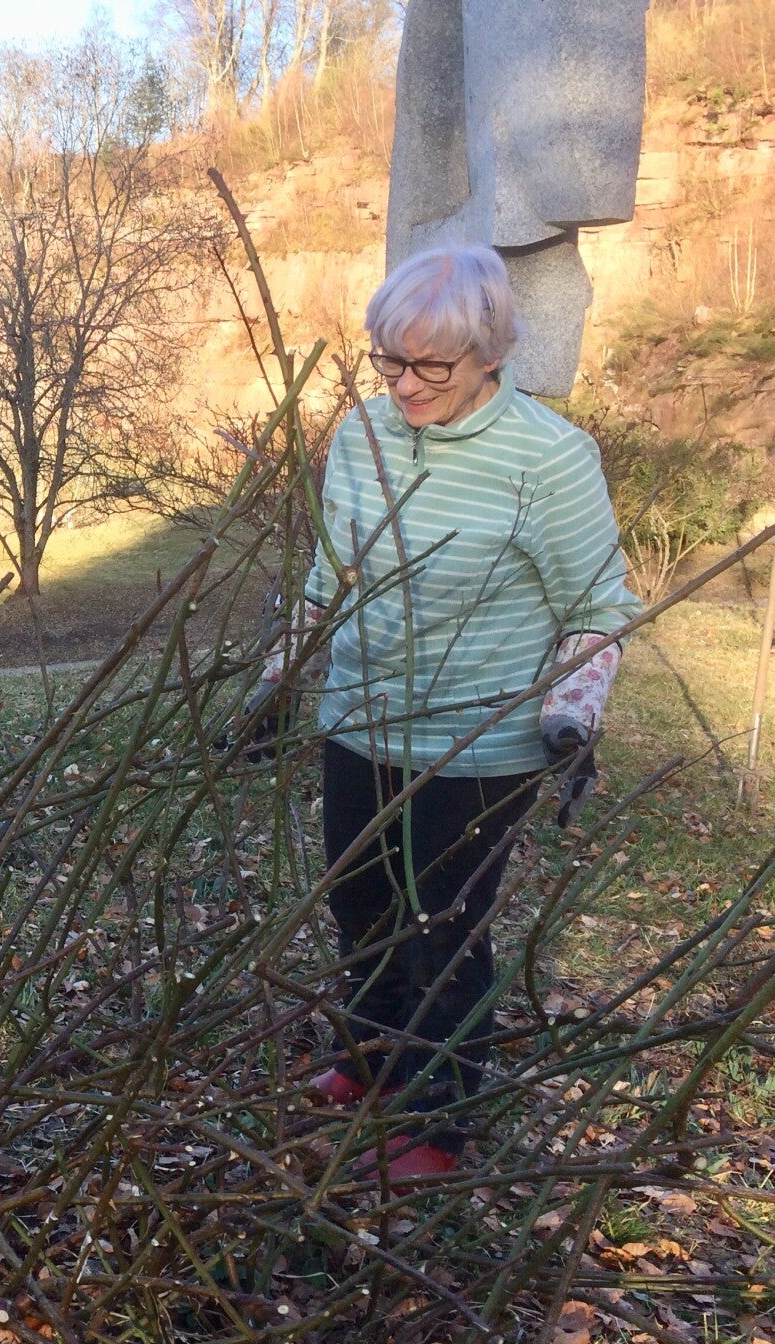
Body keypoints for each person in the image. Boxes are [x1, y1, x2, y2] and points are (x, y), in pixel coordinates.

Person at [272, 245, 638, 1182]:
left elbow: (599, 606)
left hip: (476, 745)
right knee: (360, 901)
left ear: (491, 355)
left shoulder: (549, 459)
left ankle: (438, 1120)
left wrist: (571, 715)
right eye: (390, 360)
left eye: (431, 365)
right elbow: (327, 577)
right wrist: (278, 679)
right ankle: (372, 1056)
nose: (405, 384)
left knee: (444, 926)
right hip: (359, 719)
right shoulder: (361, 435)